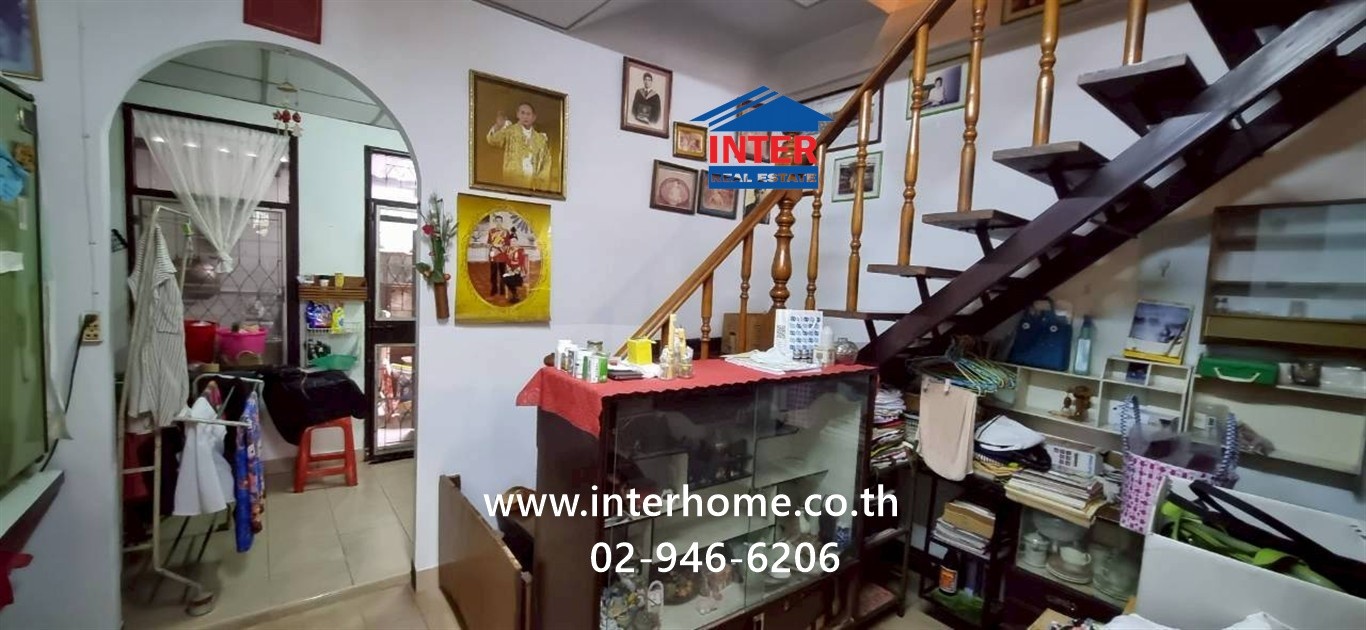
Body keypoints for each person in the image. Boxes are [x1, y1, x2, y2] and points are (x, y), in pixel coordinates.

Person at [486, 102, 552, 190]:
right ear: (517, 114)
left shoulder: (540, 139)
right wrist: (498, 126)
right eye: (522, 113)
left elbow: (546, 161)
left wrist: (541, 181)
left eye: (528, 114)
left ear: (533, 117)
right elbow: (493, 140)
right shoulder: (510, 131)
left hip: (532, 184)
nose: (525, 117)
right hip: (513, 180)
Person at [485, 215, 511, 298]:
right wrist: (493, 248)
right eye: (497, 221)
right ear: (495, 222)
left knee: (502, 273)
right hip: (493, 256)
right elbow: (489, 243)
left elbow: (507, 245)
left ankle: (502, 290)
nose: (498, 222)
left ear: (502, 222)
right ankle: (494, 289)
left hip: (502, 256)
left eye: (500, 221)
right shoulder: (491, 231)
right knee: (493, 273)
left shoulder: (506, 232)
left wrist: (499, 248)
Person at [502, 235, 530, 304]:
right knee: (504, 278)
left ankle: (515, 294)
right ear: (510, 242)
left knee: (507, 279)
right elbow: (506, 260)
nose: (513, 242)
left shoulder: (521, 250)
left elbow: (521, 261)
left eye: (514, 241)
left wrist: (514, 268)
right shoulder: (508, 250)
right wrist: (510, 267)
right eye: (511, 241)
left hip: (519, 271)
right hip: (510, 270)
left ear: (517, 241)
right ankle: (515, 294)